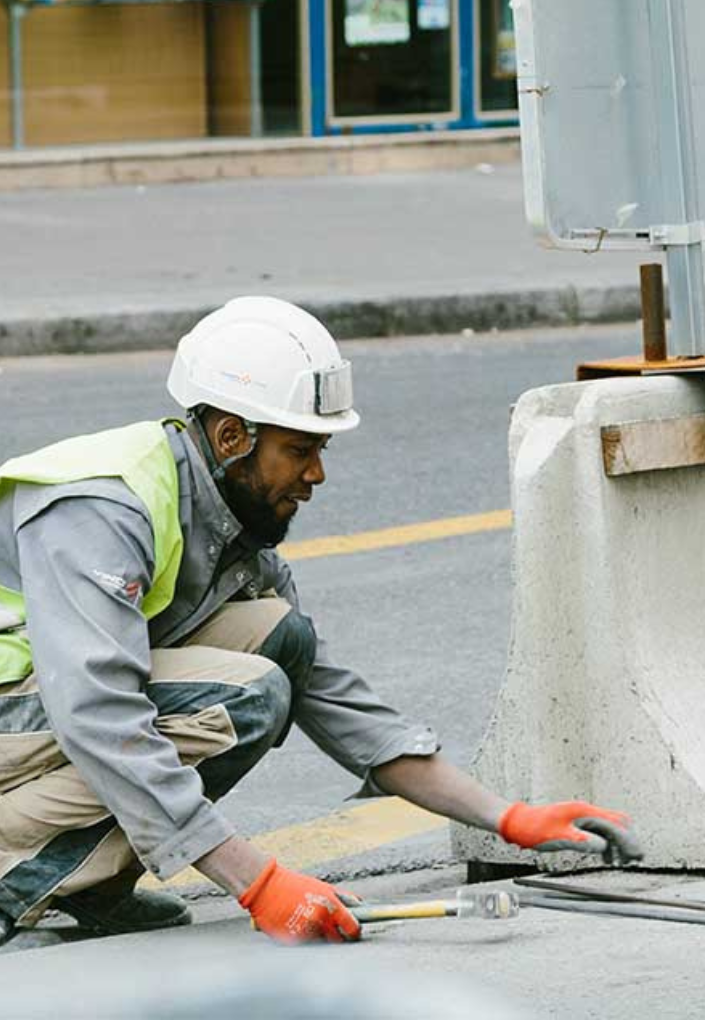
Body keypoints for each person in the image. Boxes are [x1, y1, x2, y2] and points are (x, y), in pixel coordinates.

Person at [0, 296, 641, 946]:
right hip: (27, 705)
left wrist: (507, 817)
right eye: (299, 449)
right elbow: (98, 716)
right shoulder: (105, 510)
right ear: (230, 438)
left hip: (29, 710)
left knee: (281, 642)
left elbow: (333, 699)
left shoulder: (231, 529)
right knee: (246, 697)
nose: (317, 473)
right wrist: (256, 881)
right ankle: (12, 882)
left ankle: (88, 884)